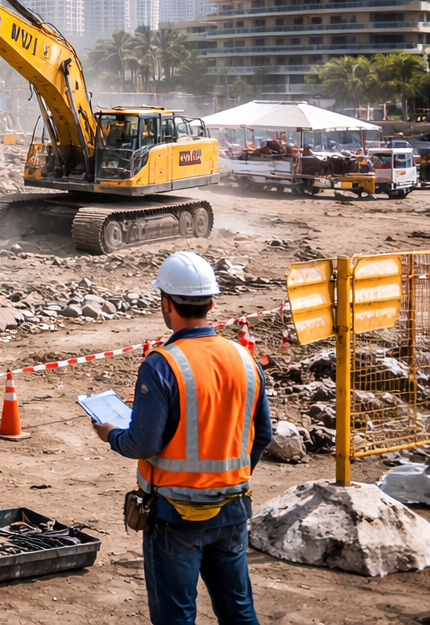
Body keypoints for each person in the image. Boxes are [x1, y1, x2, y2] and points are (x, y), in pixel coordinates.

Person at [91, 251, 273, 625]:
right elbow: (263, 435)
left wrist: (111, 435)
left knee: (175, 616)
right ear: (211, 302)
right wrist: (228, 477)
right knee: (239, 611)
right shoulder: (244, 359)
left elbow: (143, 444)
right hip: (233, 509)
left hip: (174, 516)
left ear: (166, 302)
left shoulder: (162, 363)